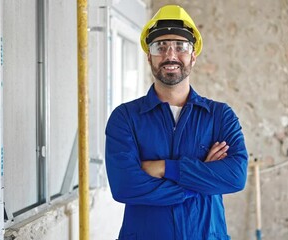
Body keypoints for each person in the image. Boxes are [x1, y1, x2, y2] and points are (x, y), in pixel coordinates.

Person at [105, 5, 248, 240]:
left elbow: (235, 176)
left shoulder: (220, 116)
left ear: (193, 55)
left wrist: (164, 168)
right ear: (149, 55)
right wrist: (201, 180)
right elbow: (125, 185)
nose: (170, 55)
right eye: (160, 46)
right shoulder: (125, 118)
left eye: (180, 46)